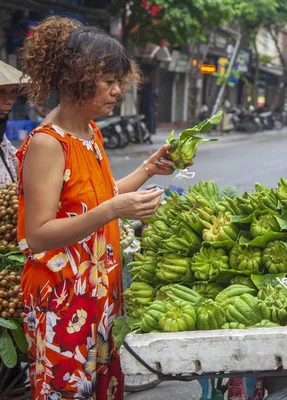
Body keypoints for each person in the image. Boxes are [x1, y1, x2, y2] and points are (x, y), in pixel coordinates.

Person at [17, 17, 187, 400]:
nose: (116, 92)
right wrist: (113, 211)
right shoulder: (48, 143)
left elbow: (102, 196)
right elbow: (38, 233)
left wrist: (147, 169)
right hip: (62, 299)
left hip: (97, 292)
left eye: (118, 82)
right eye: (108, 81)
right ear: (78, 78)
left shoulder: (89, 132)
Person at [0, 60, 27, 185]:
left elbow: (18, 163)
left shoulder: (3, 140)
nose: (10, 100)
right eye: (1, 92)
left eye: (14, 92)